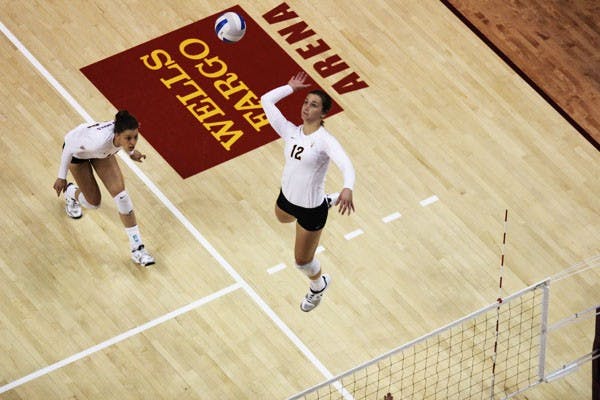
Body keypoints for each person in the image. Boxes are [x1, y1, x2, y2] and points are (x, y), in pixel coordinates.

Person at [261, 71, 356, 312]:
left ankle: (318, 286)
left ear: (323, 114)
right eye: (305, 102)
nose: (306, 108)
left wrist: (348, 187)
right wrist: (290, 88)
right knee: (282, 217)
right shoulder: (291, 131)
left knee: (302, 262)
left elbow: (346, 163)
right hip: (287, 199)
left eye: (313, 105)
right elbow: (266, 100)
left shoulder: (325, 141)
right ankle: (327, 200)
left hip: (309, 211)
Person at [52, 110, 155, 267]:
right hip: (77, 154)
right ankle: (71, 192)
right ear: (117, 135)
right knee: (93, 203)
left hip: (101, 154)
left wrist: (132, 153)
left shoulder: (120, 136)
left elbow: (128, 144)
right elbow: (69, 147)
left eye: (135, 137)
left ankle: (137, 249)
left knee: (122, 196)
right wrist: (61, 177)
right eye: (128, 138)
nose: (132, 141)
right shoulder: (98, 141)